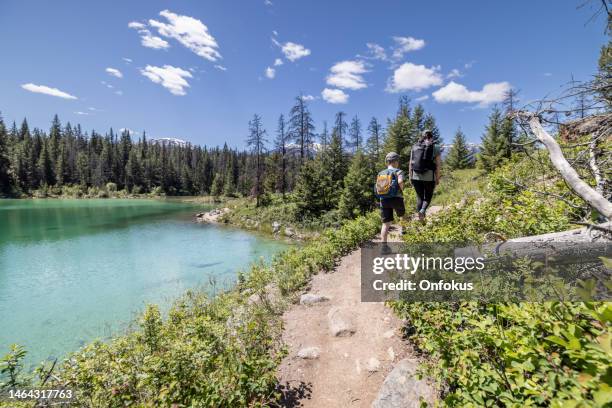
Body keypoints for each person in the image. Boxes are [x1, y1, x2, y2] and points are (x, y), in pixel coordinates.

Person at [409, 129, 441, 221]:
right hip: (429, 176)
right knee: (428, 197)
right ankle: (423, 210)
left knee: (419, 198)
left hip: (416, 176)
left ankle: (421, 221)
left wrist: (410, 176)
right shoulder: (435, 147)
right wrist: (437, 178)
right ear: (432, 137)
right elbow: (438, 165)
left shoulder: (414, 146)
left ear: (422, 136)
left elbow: (410, 163)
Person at [376, 151, 407, 243]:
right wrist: (402, 191)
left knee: (385, 224)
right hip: (397, 198)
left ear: (387, 162)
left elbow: (378, 187)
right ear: (396, 161)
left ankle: (384, 246)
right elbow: (400, 182)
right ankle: (404, 231)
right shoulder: (398, 171)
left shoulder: (381, 173)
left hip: (384, 200)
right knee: (402, 215)